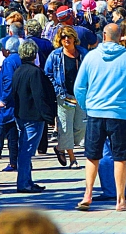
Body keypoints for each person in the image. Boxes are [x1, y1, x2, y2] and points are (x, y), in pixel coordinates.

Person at [74, 23, 126, 212]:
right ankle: (120, 200)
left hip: (95, 112)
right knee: (120, 158)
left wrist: (86, 105)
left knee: (92, 156)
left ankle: (87, 194)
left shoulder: (91, 57)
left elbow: (78, 87)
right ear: (120, 37)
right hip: (120, 114)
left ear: (104, 36)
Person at [12, 40, 56, 193]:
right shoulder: (35, 72)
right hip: (33, 117)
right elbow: (40, 96)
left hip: (21, 115)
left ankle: (27, 181)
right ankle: (24, 183)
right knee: (27, 151)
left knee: (24, 149)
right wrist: (49, 116)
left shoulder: (18, 70)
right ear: (35, 54)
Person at [44, 26, 89, 169]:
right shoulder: (55, 55)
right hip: (63, 97)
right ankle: (72, 158)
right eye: (63, 37)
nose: (66, 39)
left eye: (69, 36)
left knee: (81, 127)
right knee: (65, 128)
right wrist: (57, 90)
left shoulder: (83, 53)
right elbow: (48, 74)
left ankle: (60, 147)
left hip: (81, 96)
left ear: (74, 38)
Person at [0, 37, 20, 172]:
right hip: (15, 102)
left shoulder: (9, 62)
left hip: (8, 104)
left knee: (9, 133)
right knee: (14, 134)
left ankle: (13, 162)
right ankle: (17, 160)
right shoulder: (18, 59)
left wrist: (3, 99)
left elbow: (8, 81)